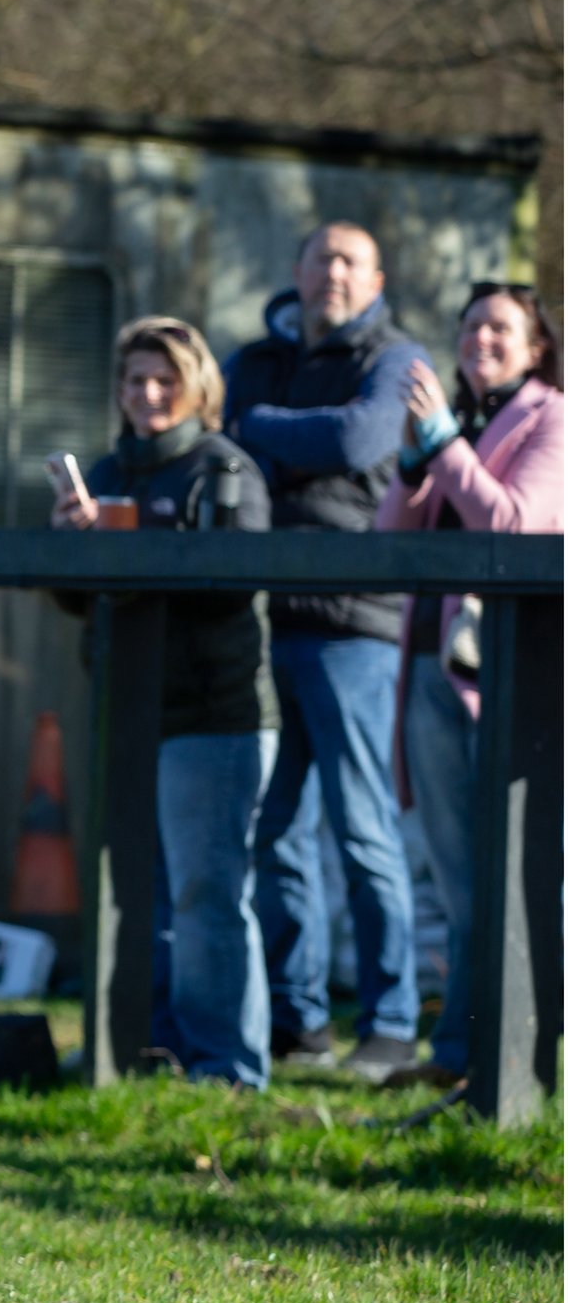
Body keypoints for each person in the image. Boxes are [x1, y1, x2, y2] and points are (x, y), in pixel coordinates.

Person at [223, 221, 429, 1082]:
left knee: (364, 829)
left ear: (376, 276)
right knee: (274, 833)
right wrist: (281, 433)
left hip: (357, 626)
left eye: (351, 261)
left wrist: (268, 429)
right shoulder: (254, 357)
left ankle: (389, 1024)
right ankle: (300, 1021)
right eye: (321, 257)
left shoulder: (397, 359)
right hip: (268, 623)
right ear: (297, 269)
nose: (334, 273)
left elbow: (360, 441)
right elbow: (222, 439)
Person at [51, 318, 278, 1086]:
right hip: (127, 709)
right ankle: (139, 1045)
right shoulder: (111, 469)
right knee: (128, 892)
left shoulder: (228, 467)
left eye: (163, 379)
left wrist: (137, 533)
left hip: (213, 717)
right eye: (133, 380)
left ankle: (227, 1064)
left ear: (196, 388)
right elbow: (80, 600)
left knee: (206, 894)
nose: (146, 394)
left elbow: (231, 583)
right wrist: (71, 544)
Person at [377, 284, 563, 1089]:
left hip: (508, 677)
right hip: (425, 666)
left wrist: (447, 444)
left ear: (535, 348)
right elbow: (392, 541)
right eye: (470, 325)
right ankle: (460, 1052)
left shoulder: (552, 417)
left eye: (500, 327)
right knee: (458, 880)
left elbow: (515, 524)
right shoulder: (450, 425)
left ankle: (519, 1056)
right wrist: (417, 461)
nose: (480, 338)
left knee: (514, 872)